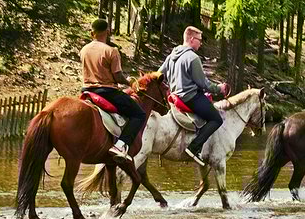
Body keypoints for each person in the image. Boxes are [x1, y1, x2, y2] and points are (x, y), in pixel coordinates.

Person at [159, 26, 226, 168]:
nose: (201, 43)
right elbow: (203, 83)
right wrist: (219, 88)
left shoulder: (171, 56)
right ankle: (194, 148)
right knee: (216, 119)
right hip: (191, 98)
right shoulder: (193, 58)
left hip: (175, 97)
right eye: (199, 40)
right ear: (191, 39)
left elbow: (159, 74)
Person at [80, 18, 145, 163]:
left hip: (87, 91)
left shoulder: (84, 49)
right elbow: (117, 75)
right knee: (139, 114)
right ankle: (120, 145)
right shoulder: (111, 51)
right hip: (106, 92)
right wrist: (128, 81)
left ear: (92, 33)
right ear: (108, 32)